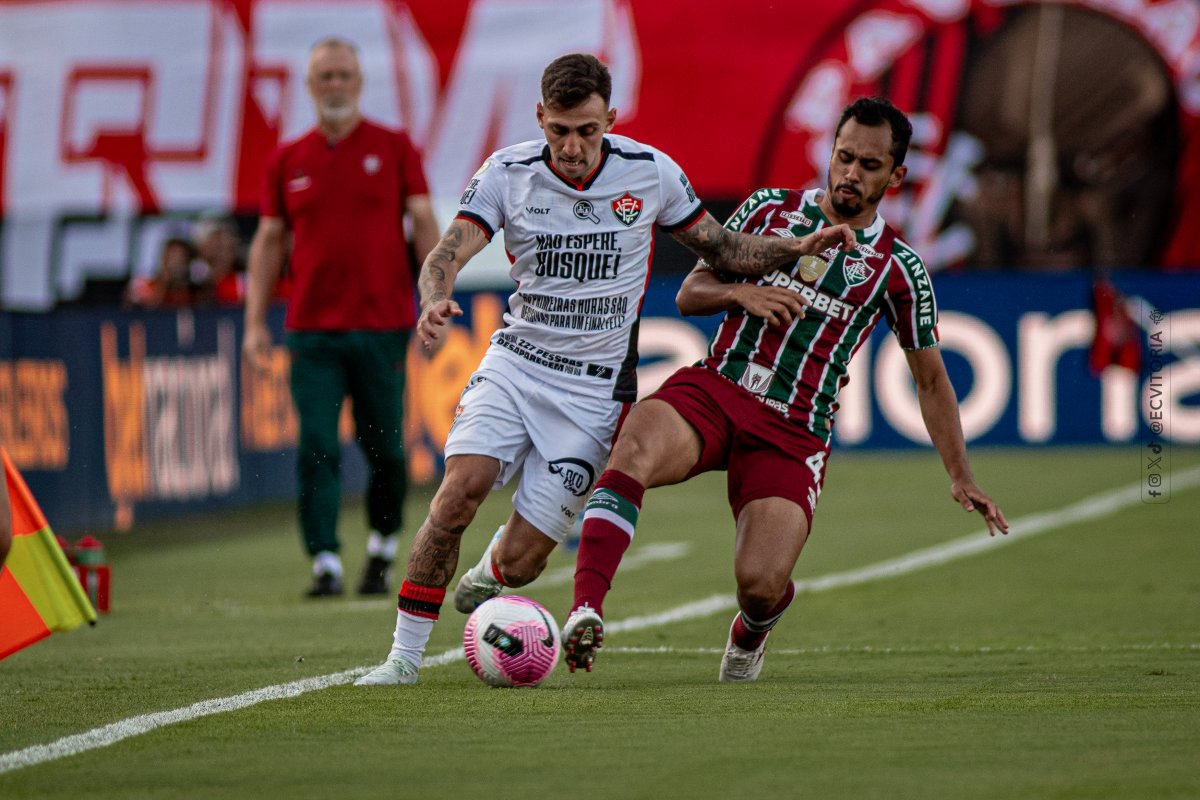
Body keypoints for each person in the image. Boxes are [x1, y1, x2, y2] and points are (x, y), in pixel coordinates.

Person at [355, 53, 854, 686]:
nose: (571, 146)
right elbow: (449, 249)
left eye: (586, 131)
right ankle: (402, 659)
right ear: (540, 117)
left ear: (609, 120)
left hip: (593, 397)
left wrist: (794, 247)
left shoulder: (649, 174)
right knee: (460, 490)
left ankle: (493, 571)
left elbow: (721, 247)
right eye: (559, 130)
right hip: (517, 365)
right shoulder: (506, 172)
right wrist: (432, 297)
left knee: (526, 560)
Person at [560, 96, 1010, 682]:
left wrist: (960, 474)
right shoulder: (771, 209)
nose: (851, 173)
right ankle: (585, 611)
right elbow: (689, 294)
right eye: (844, 157)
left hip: (793, 431)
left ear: (896, 175)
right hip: (717, 389)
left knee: (759, 585)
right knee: (634, 447)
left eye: (869, 166)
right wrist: (739, 293)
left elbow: (930, 379)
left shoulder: (899, 269)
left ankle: (753, 629)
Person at [242, 37, 439, 598]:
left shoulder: (394, 147)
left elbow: (424, 223)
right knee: (316, 446)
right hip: (311, 330)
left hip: (381, 326)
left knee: (387, 449)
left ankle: (381, 545)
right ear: (310, 86)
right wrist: (256, 322)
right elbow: (269, 241)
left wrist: (433, 294)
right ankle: (325, 559)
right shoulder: (288, 159)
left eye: (343, 75)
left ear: (359, 82)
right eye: (324, 76)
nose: (334, 85)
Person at [126, 236, 199, 308]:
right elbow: (142, 308)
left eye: (179, 258)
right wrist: (163, 284)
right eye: (170, 257)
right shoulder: (146, 283)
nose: (173, 264)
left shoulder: (194, 291)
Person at [192, 212, 247, 305]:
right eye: (217, 236)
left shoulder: (246, 283)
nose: (227, 243)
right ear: (200, 246)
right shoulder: (188, 281)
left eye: (231, 235)